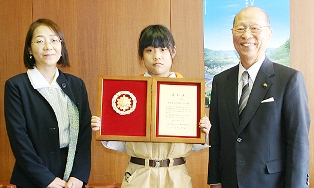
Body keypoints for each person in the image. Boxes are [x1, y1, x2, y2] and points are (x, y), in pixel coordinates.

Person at [91, 24, 211, 188]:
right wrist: (104, 127)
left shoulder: (189, 93)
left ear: (173, 52)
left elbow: (197, 146)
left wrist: (205, 131)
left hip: (176, 176)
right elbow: (120, 145)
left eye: (163, 49)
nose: (157, 56)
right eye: (149, 50)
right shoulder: (129, 92)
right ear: (141, 55)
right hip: (139, 174)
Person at [207, 6, 310, 188]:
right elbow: (216, 139)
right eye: (240, 29)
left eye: (255, 28)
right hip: (231, 181)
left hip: (271, 182)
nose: (247, 35)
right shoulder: (220, 81)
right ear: (232, 35)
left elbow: (298, 142)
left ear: (269, 34)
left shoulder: (289, 79)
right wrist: (215, 180)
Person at [4, 19, 92, 188]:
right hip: (32, 179)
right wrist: (46, 179)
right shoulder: (17, 86)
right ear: (30, 49)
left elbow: (85, 132)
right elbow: (19, 139)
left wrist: (79, 174)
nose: (48, 46)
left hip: (71, 180)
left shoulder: (76, 84)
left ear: (61, 46)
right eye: (39, 41)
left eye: (53, 40)